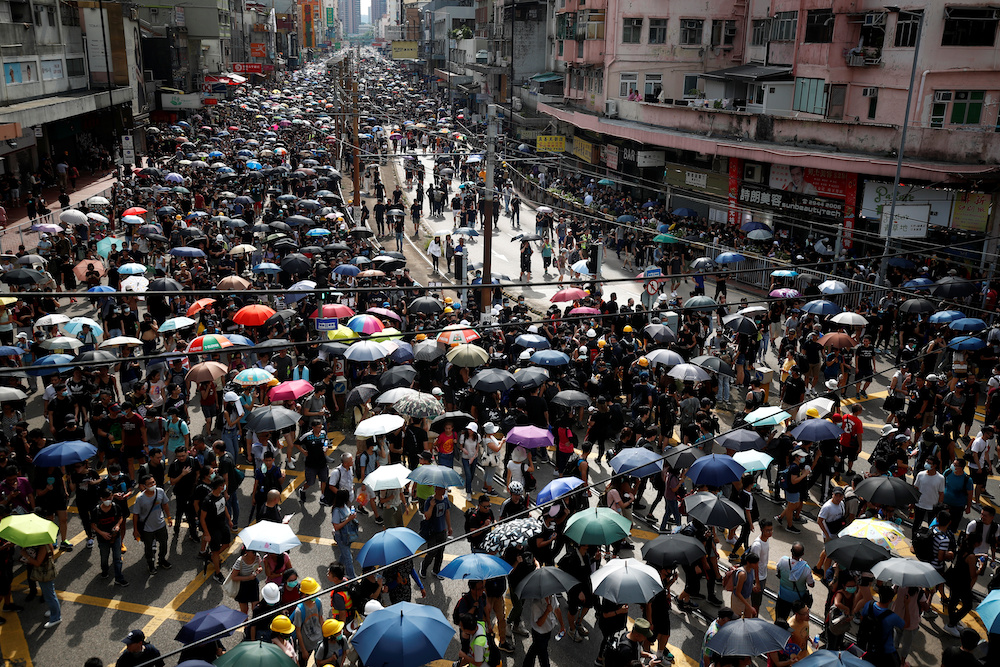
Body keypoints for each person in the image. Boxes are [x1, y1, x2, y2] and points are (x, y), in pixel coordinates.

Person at [130, 474, 172, 574]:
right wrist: (135, 530)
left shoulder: (160, 491)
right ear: (144, 486)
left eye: (153, 482)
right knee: (148, 548)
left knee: (164, 543)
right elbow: (135, 515)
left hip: (160, 524)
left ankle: (162, 560)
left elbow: (165, 504)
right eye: (149, 484)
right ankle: (151, 564)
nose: (152, 485)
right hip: (147, 528)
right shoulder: (140, 498)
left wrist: (169, 517)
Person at [858, 585, 904, 667]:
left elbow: (862, 618)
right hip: (885, 651)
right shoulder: (892, 617)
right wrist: (907, 605)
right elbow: (906, 625)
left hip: (868, 646)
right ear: (890, 600)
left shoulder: (869, 605)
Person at [92, 486, 128, 587]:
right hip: (103, 539)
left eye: (110, 498)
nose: (109, 500)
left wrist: (117, 526)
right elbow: (93, 525)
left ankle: (119, 578)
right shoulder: (97, 511)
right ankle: (104, 570)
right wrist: (102, 533)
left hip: (116, 537)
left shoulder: (116, 507)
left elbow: (121, 517)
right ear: (101, 499)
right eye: (106, 499)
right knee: (104, 557)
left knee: (117, 558)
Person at [523, 591, 566, 667]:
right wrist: (547, 611)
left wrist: (562, 626)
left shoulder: (552, 597)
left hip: (548, 631)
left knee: (535, 649)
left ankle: (527, 664)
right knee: (543, 655)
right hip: (539, 633)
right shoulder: (536, 604)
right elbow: (539, 623)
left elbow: (557, 610)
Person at [774, 542, 814, 621]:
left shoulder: (783, 560)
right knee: (796, 622)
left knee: (780, 620)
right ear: (802, 554)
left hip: (783, 596)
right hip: (798, 600)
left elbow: (778, 572)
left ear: (791, 551)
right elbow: (811, 584)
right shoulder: (806, 568)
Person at [420, 485, 452, 579]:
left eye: (444, 489)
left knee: (440, 553)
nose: (443, 491)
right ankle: (423, 568)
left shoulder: (445, 499)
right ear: (436, 489)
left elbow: (447, 513)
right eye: (441, 489)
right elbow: (427, 516)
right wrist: (431, 506)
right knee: (431, 552)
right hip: (432, 532)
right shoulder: (430, 500)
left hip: (442, 530)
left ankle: (436, 570)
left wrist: (449, 527)